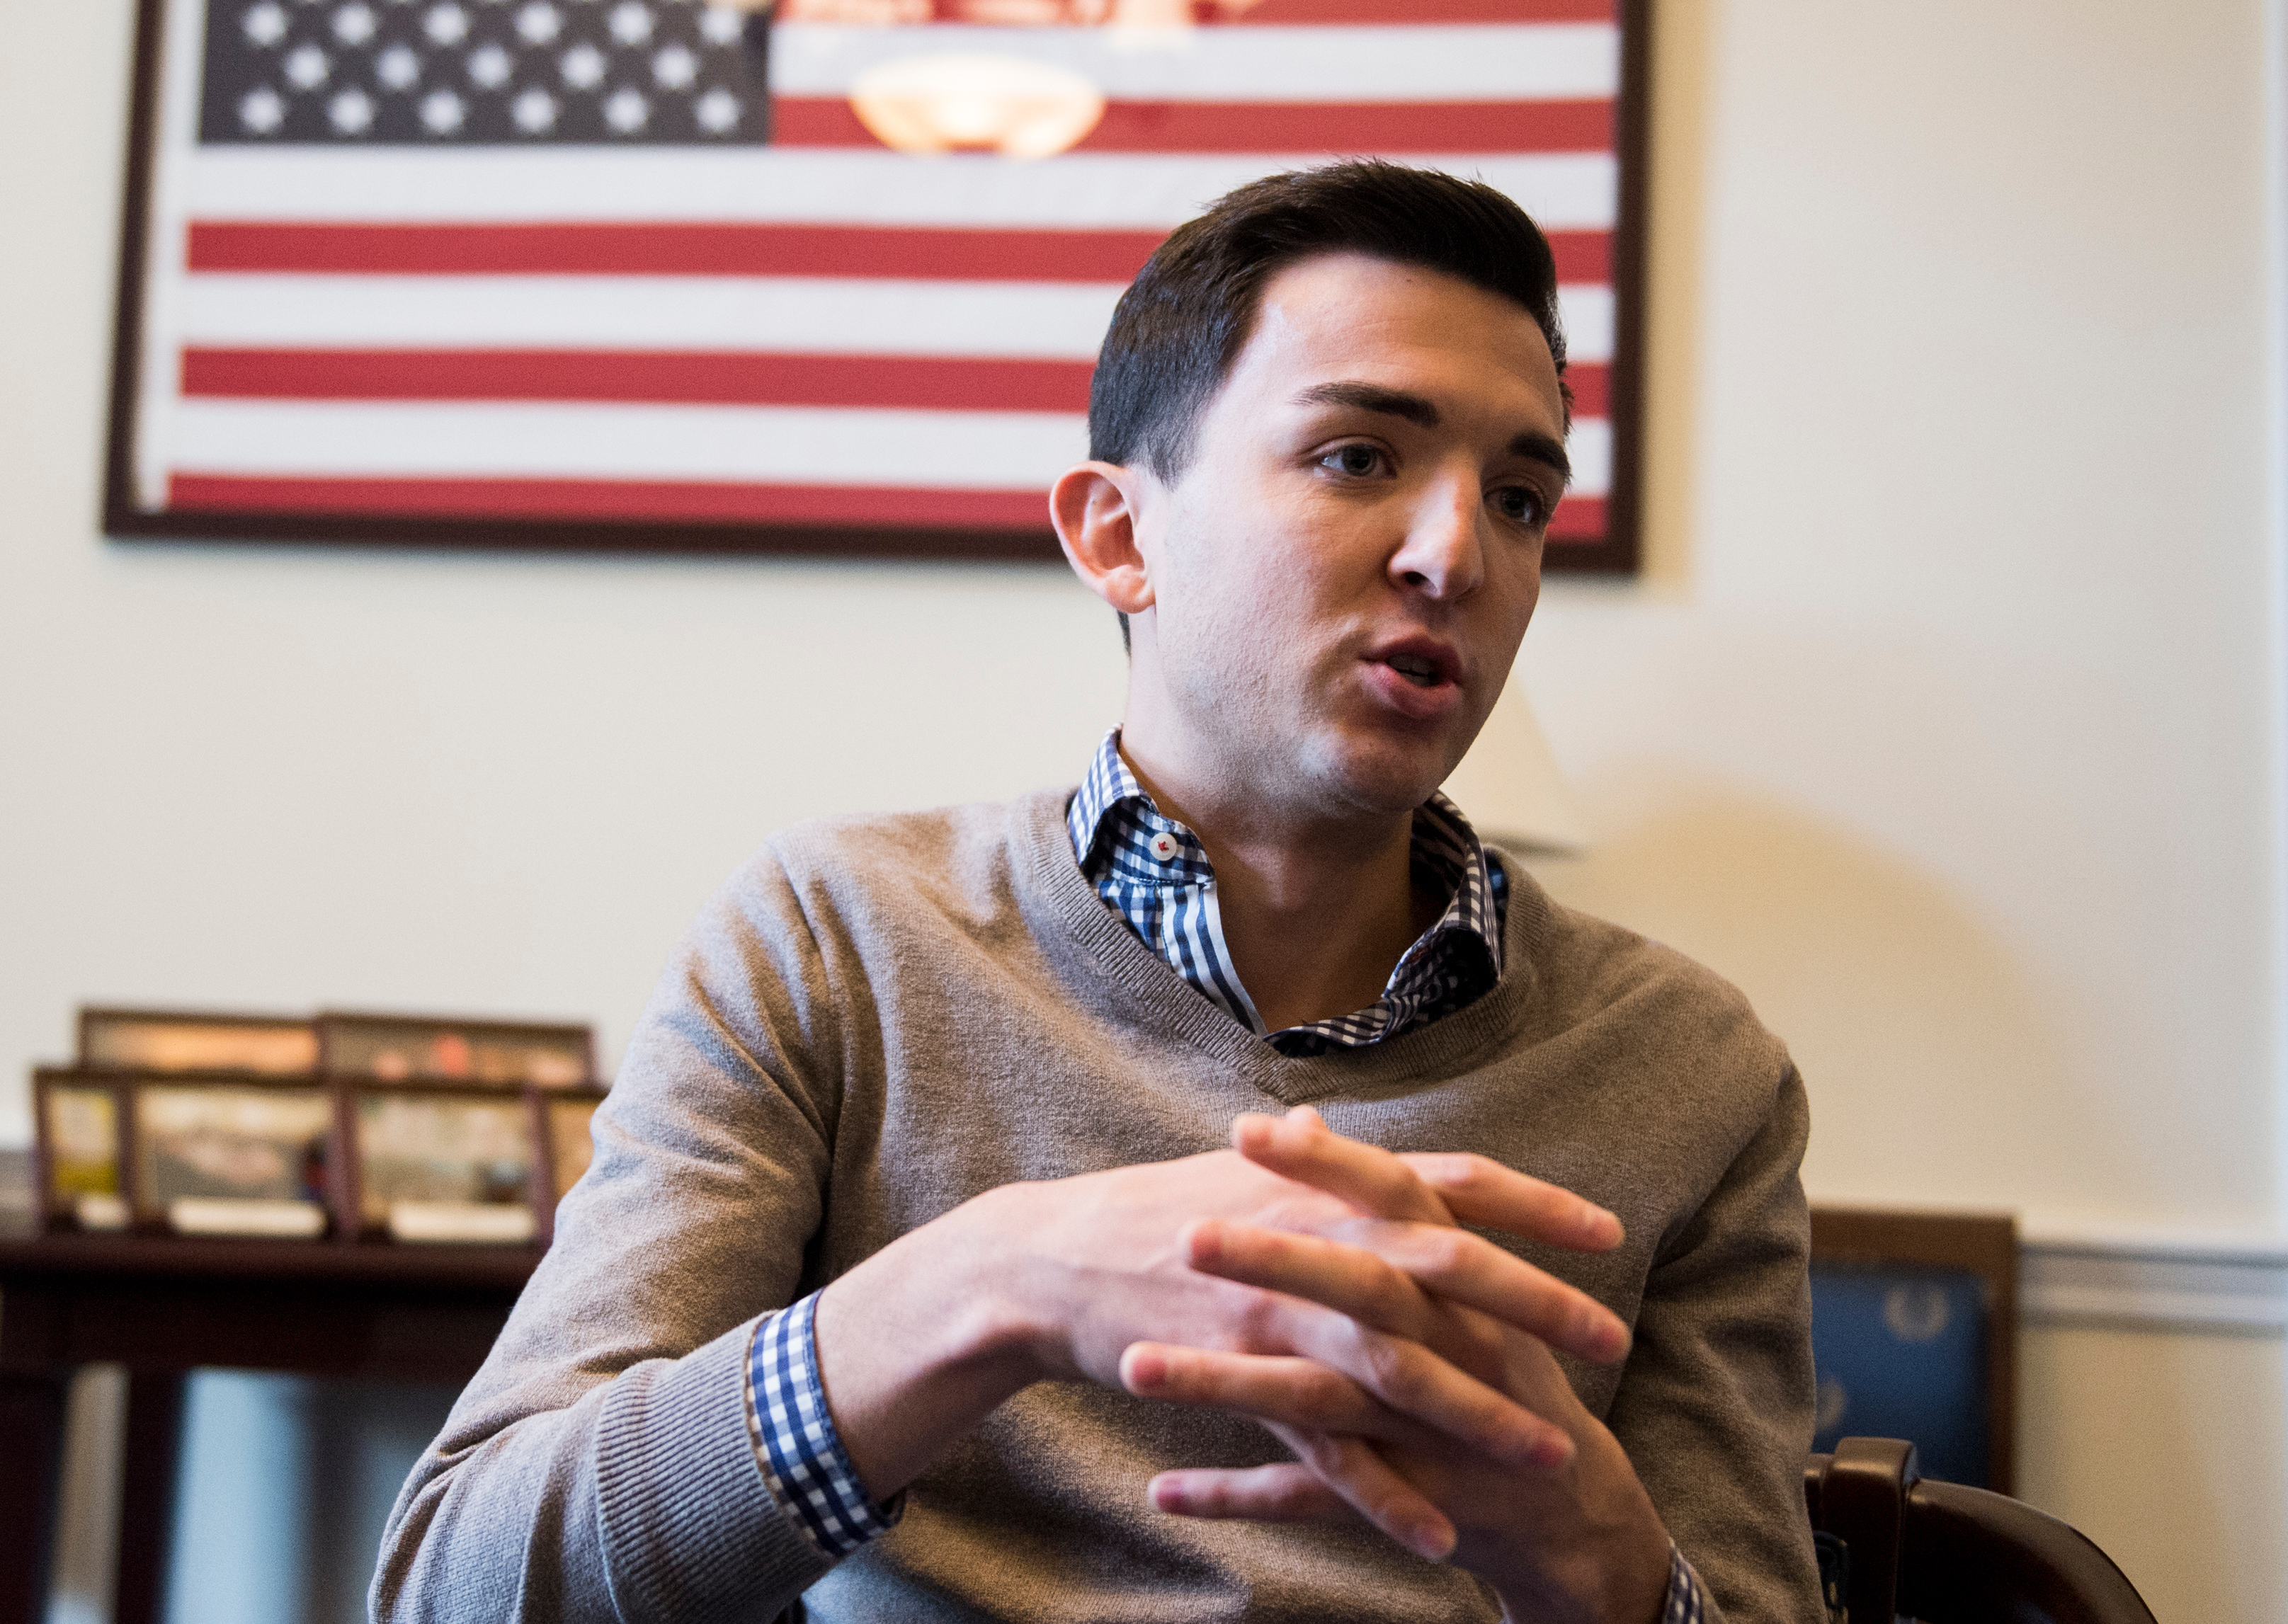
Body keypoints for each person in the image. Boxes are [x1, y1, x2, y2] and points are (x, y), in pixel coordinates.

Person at [374, 161, 1824, 1624]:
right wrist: (995, 1282)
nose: (1455, 553)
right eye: (1356, 458)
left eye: (1517, 498)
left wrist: (1600, 1566)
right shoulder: (833, 940)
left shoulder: (1690, 1070)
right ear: (1118, 537)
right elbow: (458, 1587)